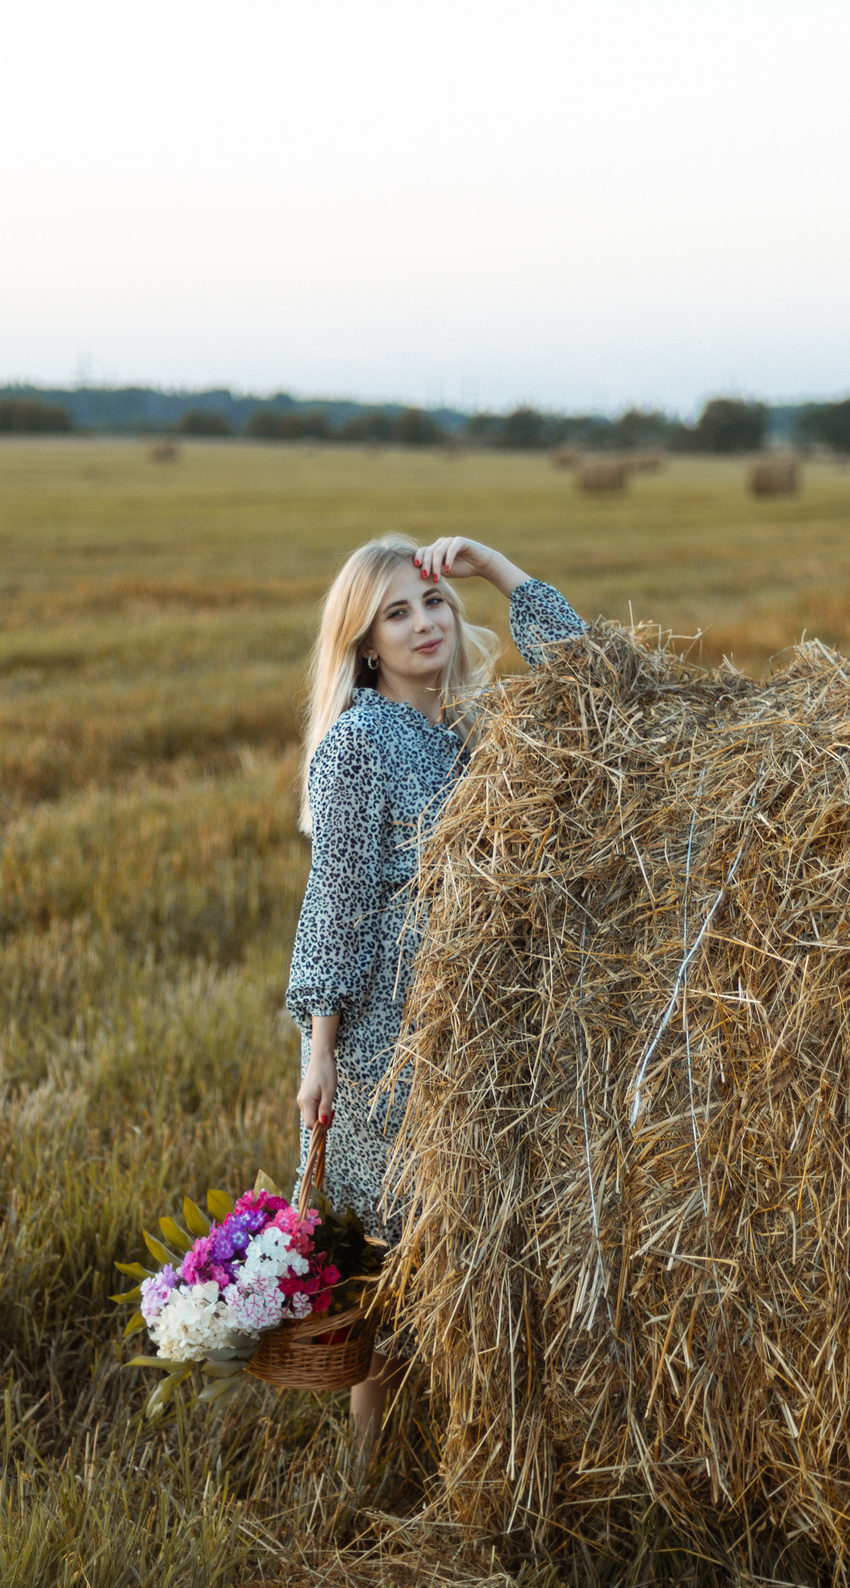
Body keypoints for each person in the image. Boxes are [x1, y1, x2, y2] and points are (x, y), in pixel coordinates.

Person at [286, 532, 585, 1455]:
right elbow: (334, 904)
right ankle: (368, 1461)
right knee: (385, 1260)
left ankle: (468, 1445)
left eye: (435, 604)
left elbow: (589, 672)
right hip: (388, 1043)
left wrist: (497, 568)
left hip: (480, 1027)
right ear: (366, 643)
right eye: (398, 612)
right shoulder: (358, 747)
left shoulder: (472, 727)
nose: (425, 624)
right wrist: (320, 1052)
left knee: (461, 1244)